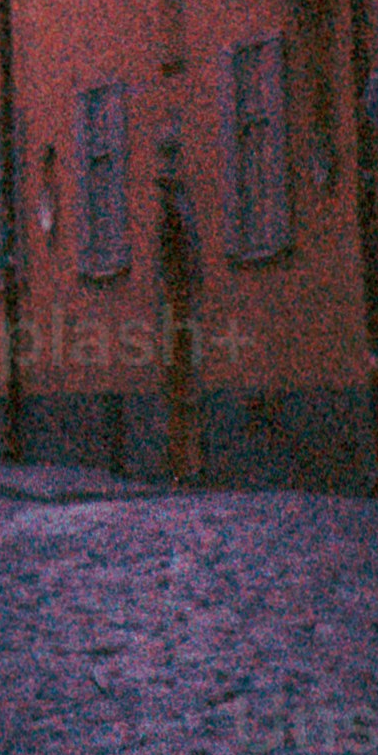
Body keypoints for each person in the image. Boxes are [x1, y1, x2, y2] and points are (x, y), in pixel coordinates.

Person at [153, 132, 207, 488]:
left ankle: (185, 463)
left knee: (183, 388)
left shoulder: (177, 210)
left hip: (182, 305)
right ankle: (181, 464)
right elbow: (172, 258)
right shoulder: (170, 212)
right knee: (179, 388)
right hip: (175, 306)